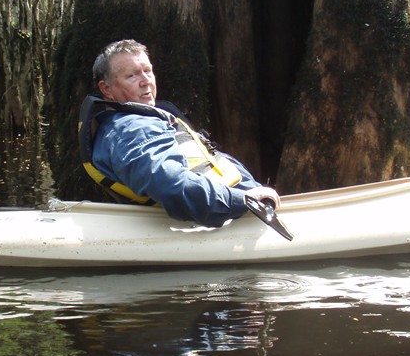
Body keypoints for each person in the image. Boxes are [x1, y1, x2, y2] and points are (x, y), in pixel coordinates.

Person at [80, 39, 280, 228]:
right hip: (225, 214)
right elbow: (169, 184)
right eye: (132, 75)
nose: (145, 81)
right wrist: (243, 200)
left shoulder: (141, 120)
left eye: (148, 71)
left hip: (235, 207)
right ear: (106, 89)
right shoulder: (132, 130)